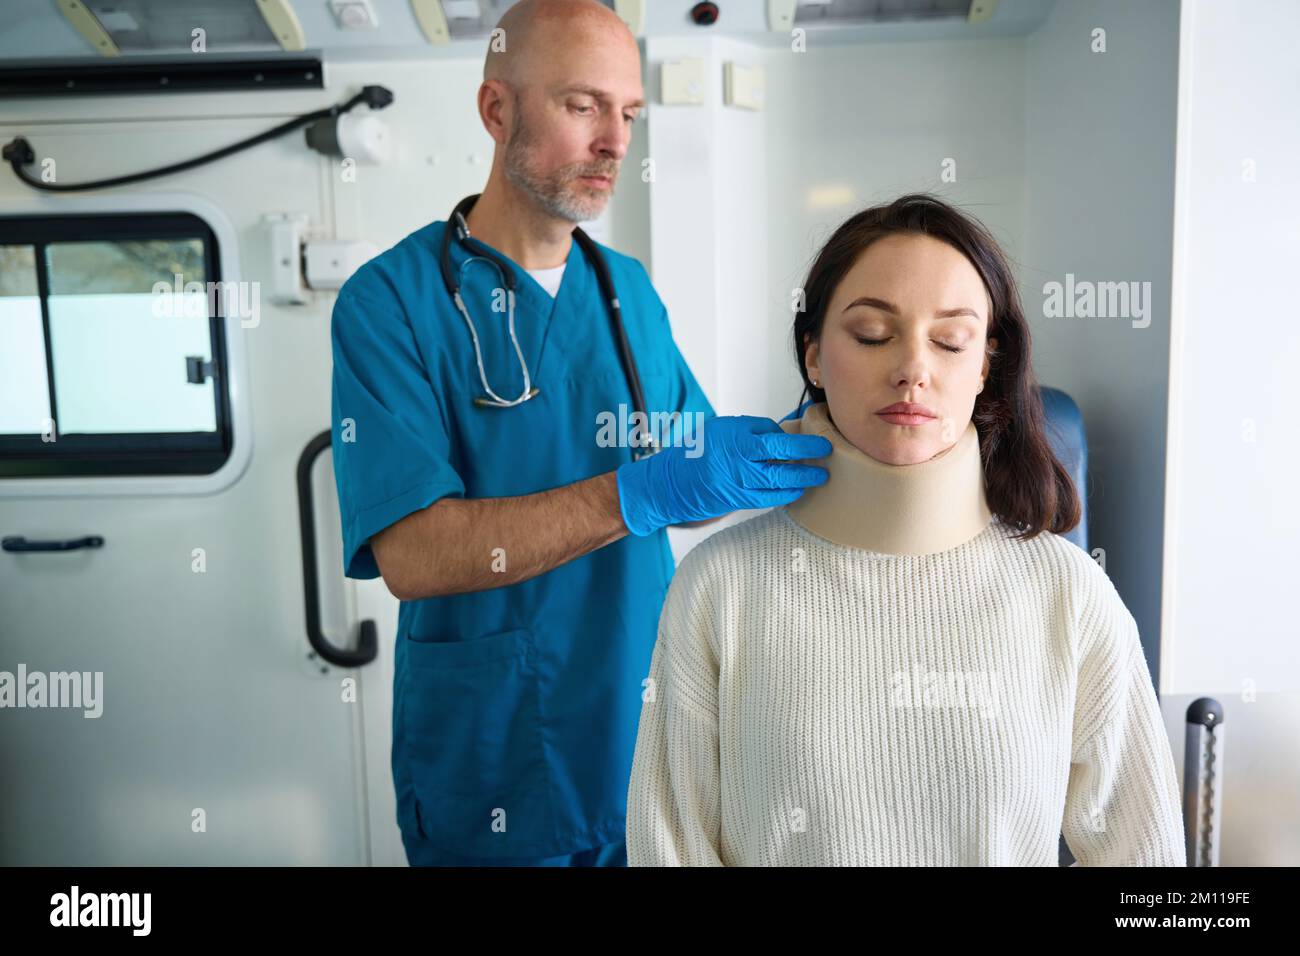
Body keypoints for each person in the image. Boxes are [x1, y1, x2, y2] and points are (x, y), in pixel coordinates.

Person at [329, 0, 831, 866]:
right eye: (582, 105)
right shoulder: (390, 301)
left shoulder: (626, 289)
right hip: (492, 759)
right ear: (497, 111)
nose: (614, 142)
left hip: (642, 741)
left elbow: (694, 483)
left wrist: (811, 444)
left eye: (629, 113)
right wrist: (637, 491)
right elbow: (412, 555)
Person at [625, 193, 1187, 866]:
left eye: (951, 341)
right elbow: (668, 848)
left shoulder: (1070, 595)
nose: (913, 369)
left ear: (985, 366)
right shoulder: (719, 587)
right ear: (812, 358)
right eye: (871, 334)